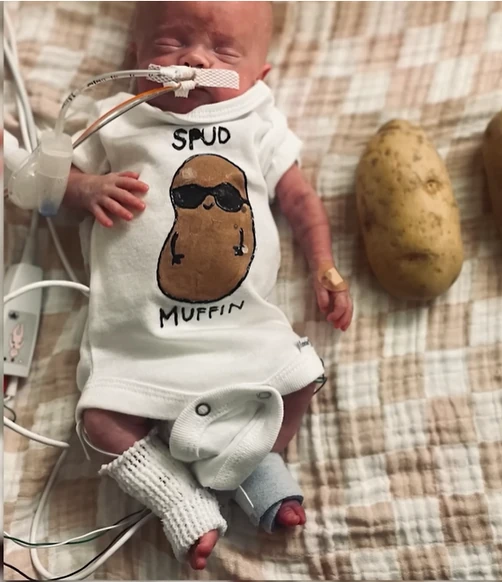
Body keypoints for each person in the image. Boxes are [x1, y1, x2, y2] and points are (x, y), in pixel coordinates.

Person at [63, 1, 353, 570]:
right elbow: (54, 179)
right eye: (171, 44)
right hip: (141, 340)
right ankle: (177, 497)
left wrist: (324, 264)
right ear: (135, 56)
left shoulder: (256, 119)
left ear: (259, 75)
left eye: (224, 51)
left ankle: (255, 463)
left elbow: (299, 199)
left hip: (239, 332)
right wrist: (86, 189)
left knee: (298, 378)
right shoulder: (117, 115)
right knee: (99, 422)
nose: (196, 60)